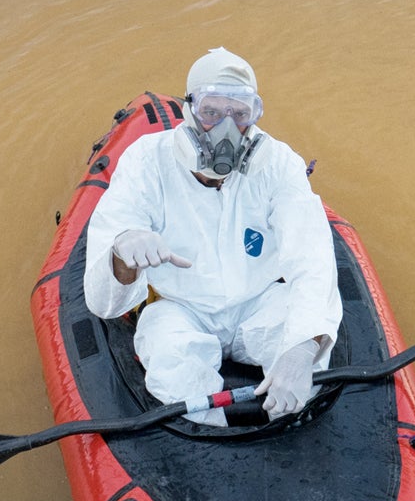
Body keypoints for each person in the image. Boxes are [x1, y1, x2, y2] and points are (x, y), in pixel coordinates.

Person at [84, 47, 342, 427]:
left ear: (254, 117)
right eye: (211, 112)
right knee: (170, 357)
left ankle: (290, 425)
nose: (225, 128)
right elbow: (103, 304)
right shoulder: (146, 162)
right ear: (189, 111)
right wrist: (123, 254)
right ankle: (217, 445)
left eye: (240, 114)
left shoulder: (278, 165)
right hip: (180, 307)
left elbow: (313, 259)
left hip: (260, 302)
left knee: (310, 355)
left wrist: (302, 349)